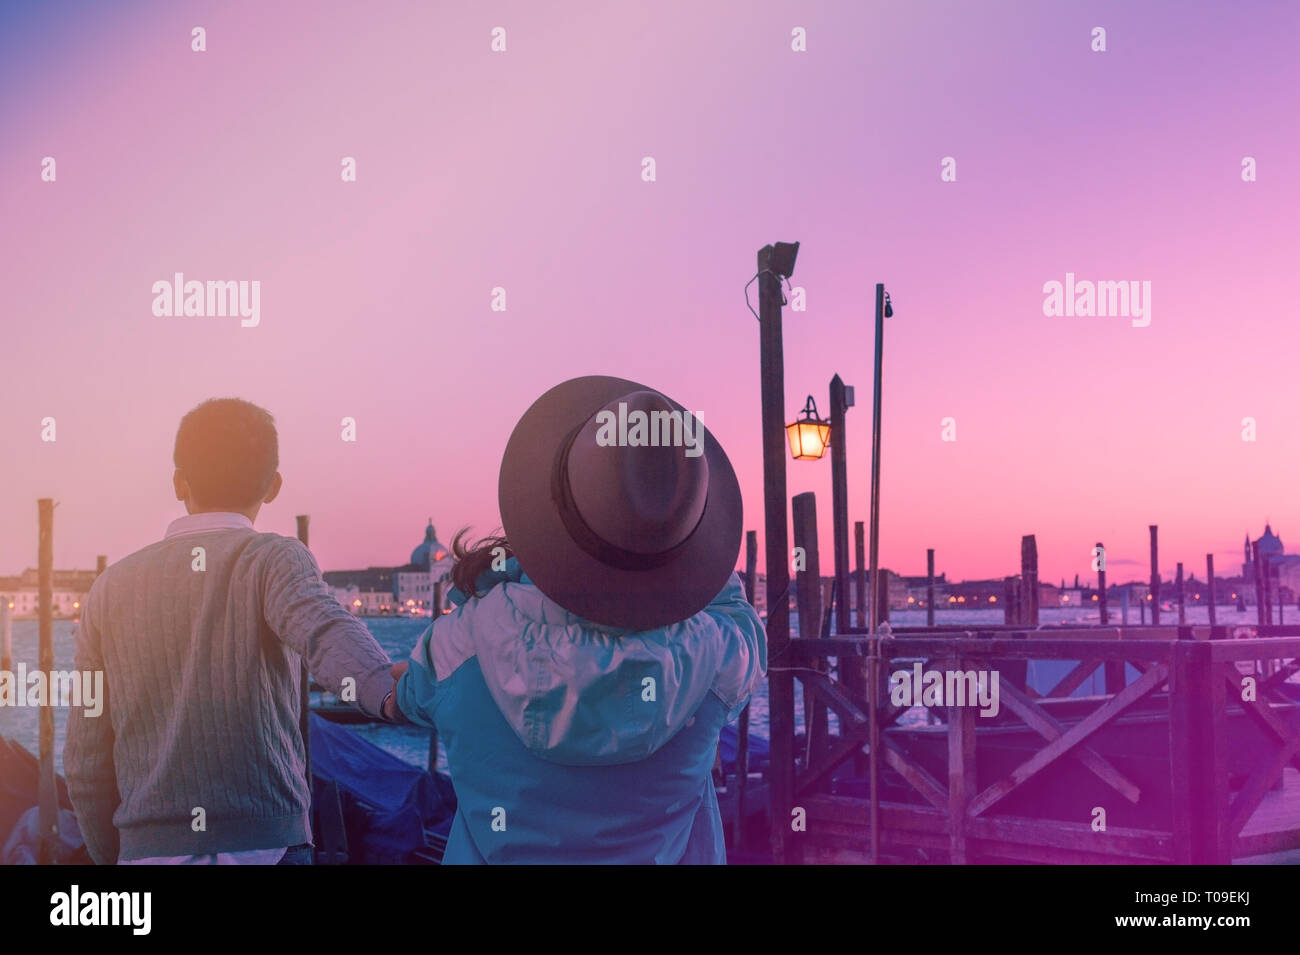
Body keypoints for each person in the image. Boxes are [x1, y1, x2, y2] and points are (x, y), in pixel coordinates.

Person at [385, 376, 766, 863]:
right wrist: (690, 550)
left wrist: (514, 562)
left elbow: (407, 697)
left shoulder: (459, 644)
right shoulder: (717, 656)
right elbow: (738, 614)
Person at [65, 398, 398, 865]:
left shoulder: (108, 589)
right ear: (274, 486)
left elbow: (84, 762)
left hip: (147, 854)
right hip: (268, 844)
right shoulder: (274, 559)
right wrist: (388, 690)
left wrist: (116, 855)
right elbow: (325, 629)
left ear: (179, 482)